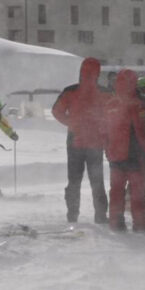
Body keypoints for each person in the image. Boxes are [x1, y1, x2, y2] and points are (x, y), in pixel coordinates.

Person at [51, 57, 110, 224]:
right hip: (95, 143)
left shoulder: (70, 91)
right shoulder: (104, 92)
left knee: (74, 181)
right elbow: (113, 115)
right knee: (97, 181)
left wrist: (71, 123)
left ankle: (72, 215)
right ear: (98, 73)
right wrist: (103, 130)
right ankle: (100, 215)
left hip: (75, 141)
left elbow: (56, 111)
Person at [105, 69, 145, 232]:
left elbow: (103, 130)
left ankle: (115, 223)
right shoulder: (138, 103)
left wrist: (108, 150)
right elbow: (142, 130)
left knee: (116, 193)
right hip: (135, 156)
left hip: (115, 156)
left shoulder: (111, 103)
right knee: (138, 194)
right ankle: (140, 224)